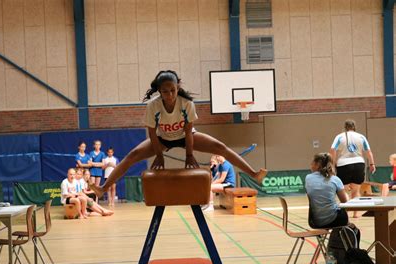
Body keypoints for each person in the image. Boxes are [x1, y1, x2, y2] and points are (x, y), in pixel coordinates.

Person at [89, 70, 267, 197]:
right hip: (161, 139)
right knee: (132, 155)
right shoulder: (153, 105)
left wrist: (189, 155)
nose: (169, 95)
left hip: (185, 137)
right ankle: (103, 188)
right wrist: (159, 155)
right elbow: (151, 133)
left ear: (178, 86)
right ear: (159, 91)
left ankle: (253, 174)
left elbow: (188, 132)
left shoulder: (186, 103)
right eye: (165, 91)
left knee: (220, 147)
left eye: (173, 90)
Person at [330, 119, 376, 218]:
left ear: (345, 127)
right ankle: (356, 214)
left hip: (343, 164)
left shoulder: (339, 136)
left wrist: (332, 164)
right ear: (354, 127)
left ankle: (346, 214)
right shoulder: (361, 136)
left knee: (344, 191)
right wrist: (372, 164)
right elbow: (368, 152)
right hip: (359, 163)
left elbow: (332, 149)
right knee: (356, 190)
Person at [305, 153, 349, 228]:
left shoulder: (308, 178)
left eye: (312, 163)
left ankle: (340, 235)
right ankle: (343, 234)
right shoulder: (335, 179)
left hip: (315, 221)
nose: (311, 165)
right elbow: (345, 202)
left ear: (318, 164)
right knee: (348, 223)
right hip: (334, 220)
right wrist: (346, 194)